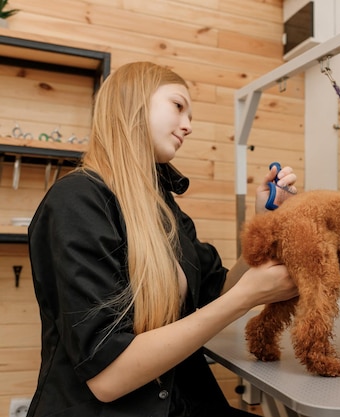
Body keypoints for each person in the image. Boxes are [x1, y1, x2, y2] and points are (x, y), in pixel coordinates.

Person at [26, 61, 299, 417]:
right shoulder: (76, 202)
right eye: (177, 106)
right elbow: (108, 378)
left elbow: (218, 290)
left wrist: (268, 222)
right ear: (133, 104)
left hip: (180, 401)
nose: (189, 125)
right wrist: (247, 297)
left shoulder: (162, 208)